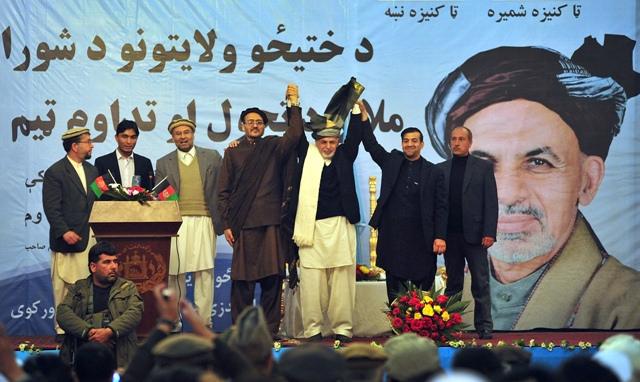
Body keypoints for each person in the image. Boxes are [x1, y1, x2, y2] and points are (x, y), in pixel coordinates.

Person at [425, 35, 640, 330]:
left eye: (538, 163)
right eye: (484, 165)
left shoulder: (626, 307)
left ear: (588, 181)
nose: (509, 195)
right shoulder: (440, 296)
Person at [217, 84, 303, 337]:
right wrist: (226, 224)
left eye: (259, 122)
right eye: (249, 122)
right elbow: (223, 192)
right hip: (243, 225)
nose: (254, 125)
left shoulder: (274, 146)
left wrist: (294, 103)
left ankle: (269, 331)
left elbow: (296, 133)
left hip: (271, 224)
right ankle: (241, 332)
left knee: (272, 281)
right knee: (242, 283)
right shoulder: (233, 153)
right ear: (242, 125)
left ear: (264, 126)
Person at [360, 100, 447, 304]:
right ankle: (397, 328)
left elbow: (441, 207)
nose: (409, 144)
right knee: (395, 289)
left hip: (422, 239)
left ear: (422, 144)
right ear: (402, 144)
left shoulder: (434, 172)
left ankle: (421, 329)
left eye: (414, 140)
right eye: (406, 141)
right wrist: (364, 117)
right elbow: (371, 145)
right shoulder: (392, 162)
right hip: (394, 237)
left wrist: (440, 236)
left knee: (423, 291)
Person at [290, 103, 363, 343]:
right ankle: (312, 329)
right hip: (311, 229)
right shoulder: (307, 155)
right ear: (316, 143)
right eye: (324, 142)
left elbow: (355, 136)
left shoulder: (345, 154)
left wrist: (354, 109)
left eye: (333, 142)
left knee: (342, 280)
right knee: (312, 283)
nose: (328, 146)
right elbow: (296, 134)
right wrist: (294, 107)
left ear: (338, 142)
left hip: (341, 227)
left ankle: (343, 328)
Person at [156, 118, 223, 327]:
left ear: (193, 134)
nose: (183, 136)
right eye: (178, 133)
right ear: (172, 137)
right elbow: (159, 196)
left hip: (205, 219)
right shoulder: (163, 162)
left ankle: (204, 322)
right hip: (177, 223)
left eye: (186, 132)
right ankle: (174, 321)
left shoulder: (212, 157)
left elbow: (222, 189)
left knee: (204, 273)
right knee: (176, 273)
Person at [437, 126, 498, 339]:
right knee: (453, 283)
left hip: (476, 236)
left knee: (480, 283)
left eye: (461, 139)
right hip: (450, 236)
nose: (456, 142)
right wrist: (439, 235)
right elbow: (439, 206)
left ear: (470, 142)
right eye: (453, 139)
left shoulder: (483, 168)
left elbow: (491, 202)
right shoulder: (441, 169)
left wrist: (489, 231)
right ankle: (450, 326)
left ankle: (484, 327)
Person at [43, 127, 100, 333]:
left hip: (90, 239)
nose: (91, 145)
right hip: (68, 240)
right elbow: (52, 207)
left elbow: (101, 199)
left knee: (86, 289)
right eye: (88, 141)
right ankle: (62, 331)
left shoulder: (92, 170)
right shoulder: (55, 172)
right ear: (75, 146)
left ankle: (84, 330)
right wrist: (64, 231)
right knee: (64, 288)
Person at [56, 241, 143, 369]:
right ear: (93, 267)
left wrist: (109, 332)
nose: (114, 266)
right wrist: (90, 333)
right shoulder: (79, 288)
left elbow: (135, 313)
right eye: (107, 262)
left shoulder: (127, 287)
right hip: (84, 357)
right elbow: (63, 313)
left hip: (119, 357)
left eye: (115, 261)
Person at [94, 119, 154, 190]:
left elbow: (150, 192)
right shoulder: (102, 162)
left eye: (133, 137)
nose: (129, 142)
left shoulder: (145, 163)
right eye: (124, 137)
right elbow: (97, 192)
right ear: (116, 138)